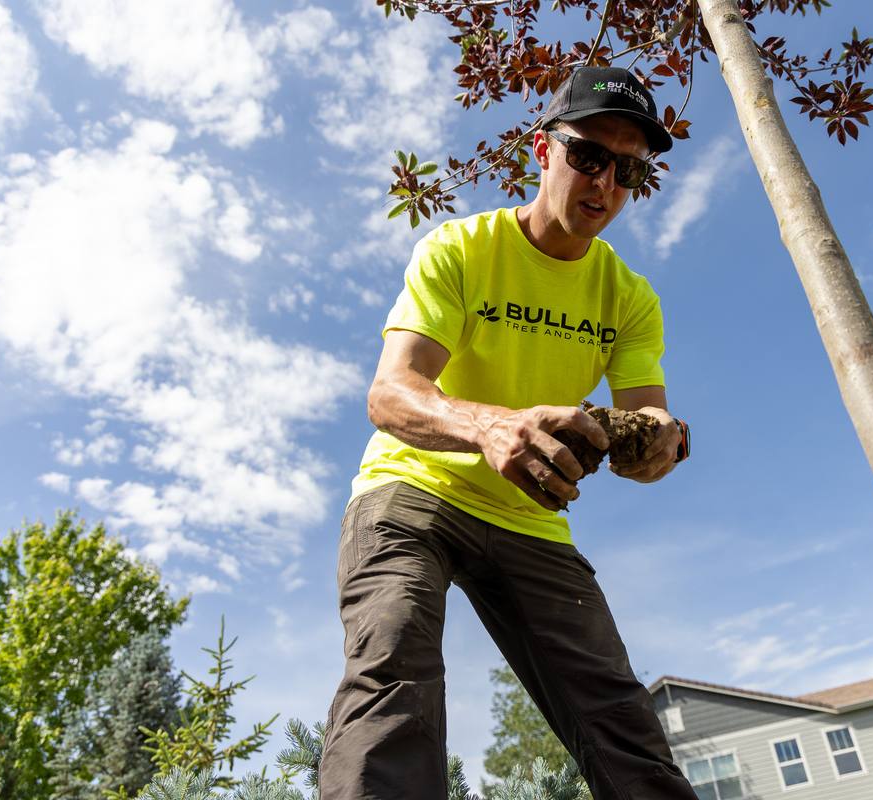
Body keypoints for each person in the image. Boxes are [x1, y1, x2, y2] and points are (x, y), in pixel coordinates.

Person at [319, 65, 697, 800]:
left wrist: (656, 442)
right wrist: (491, 428)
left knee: (620, 718)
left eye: (629, 170)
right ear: (543, 149)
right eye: (589, 156)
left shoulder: (630, 299)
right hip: (412, 491)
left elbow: (647, 419)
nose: (605, 185)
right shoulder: (459, 249)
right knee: (393, 661)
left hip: (531, 520)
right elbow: (391, 394)